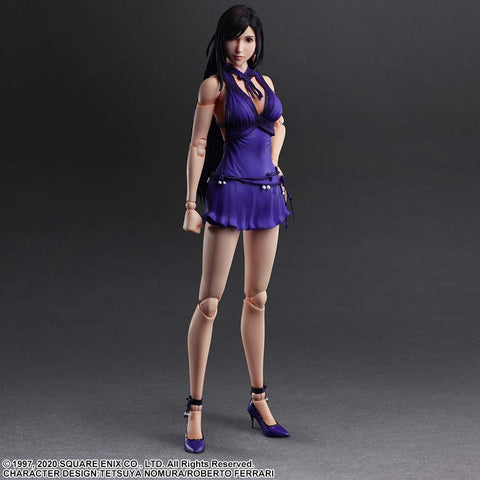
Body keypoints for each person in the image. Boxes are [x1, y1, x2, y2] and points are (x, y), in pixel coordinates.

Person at [182, 4, 294, 454]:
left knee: (257, 298)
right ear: (222, 39)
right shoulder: (214, 85)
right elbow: (198, 144)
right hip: (228, 192)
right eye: (234, 37)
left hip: (267, 193)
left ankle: (259, 399)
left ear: (256, 41)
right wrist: (192, 203)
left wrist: (275, 163)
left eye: (248, 38)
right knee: (209, 303)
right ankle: (194, 408)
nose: (240, 47)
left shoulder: (266, 83)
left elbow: (279, 125)